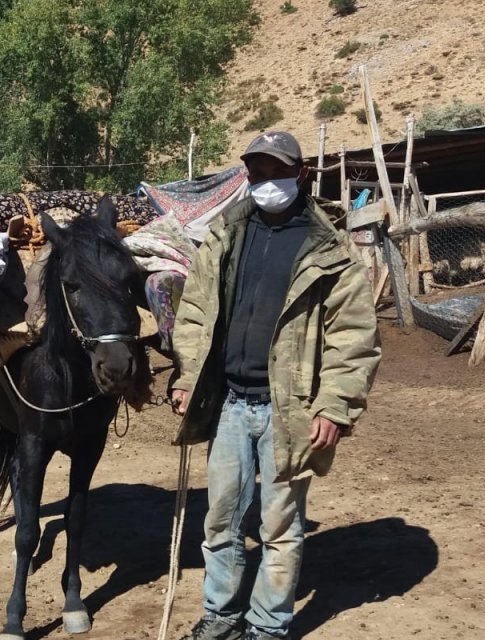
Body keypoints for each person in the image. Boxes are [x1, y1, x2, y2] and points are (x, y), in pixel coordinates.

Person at [169, 131, 381, 640]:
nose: (267, 183)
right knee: (219, 523)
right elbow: (196, 311)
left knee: (280, 528)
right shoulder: (226, 235)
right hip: (228, 404)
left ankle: (267, 625)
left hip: (291, 410)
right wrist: (187, 374)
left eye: (277, 172)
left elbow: (352, 337)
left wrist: (334, 405)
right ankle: (221, 616)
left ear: (301, 174)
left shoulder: (329, 250)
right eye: (257, 173)